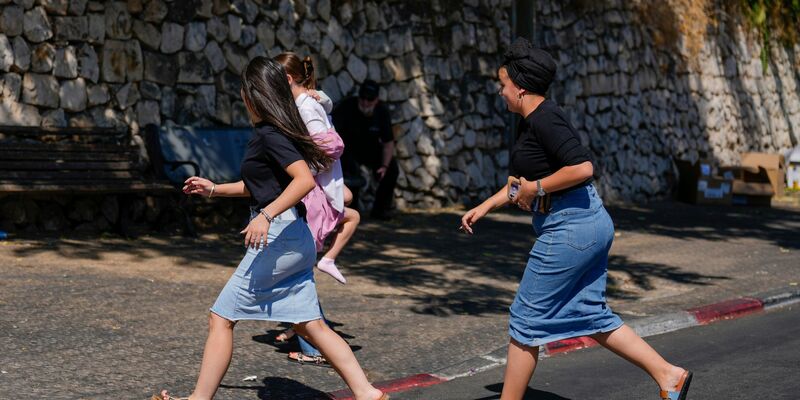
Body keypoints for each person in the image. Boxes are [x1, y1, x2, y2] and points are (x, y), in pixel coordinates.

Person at [459, 38, 692, 400]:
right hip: (587, 221)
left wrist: (536, 188)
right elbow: (520, 185)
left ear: (520, 88)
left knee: (524, 318)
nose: (500, 92)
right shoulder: (529, 121)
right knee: (591, 314)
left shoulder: (546, 119)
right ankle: (669, 375)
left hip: (571, 227)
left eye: (502, 85)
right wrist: (485, 206)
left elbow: (582, 168)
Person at [157, 56, 387, 400]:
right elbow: (263, 185)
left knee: (221, 317)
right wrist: (215, 189)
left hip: (280, 236)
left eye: (243, 88)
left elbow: (303, 180)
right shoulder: (277, 131)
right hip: (295, 236)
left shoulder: (269, 133)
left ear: (254, 93)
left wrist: (265, 216)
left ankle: (198, 399)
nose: (240, 94)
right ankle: (368, 394)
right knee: (310, 325)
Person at [272, 51, 362, 367]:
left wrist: (304, 166)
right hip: (311, 191)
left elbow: (329, 146)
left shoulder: (304, 106)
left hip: (308, 194)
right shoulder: (304, 104)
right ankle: (302, 333)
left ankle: (311, 344)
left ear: (286, 80)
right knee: (299, 270)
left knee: (298, 272)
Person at [332, 79, 398, 220]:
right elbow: (332, 135)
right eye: (363, 98)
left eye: (370, 99)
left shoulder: (382, 112)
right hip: (347, 151)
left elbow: (388, 143)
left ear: (376, 100)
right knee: (352, 172)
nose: (365, 102)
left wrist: (384, 166)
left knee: (392, 169)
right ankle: (350, 212)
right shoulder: (346, 107)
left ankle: (380, 210)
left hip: (371, 150)